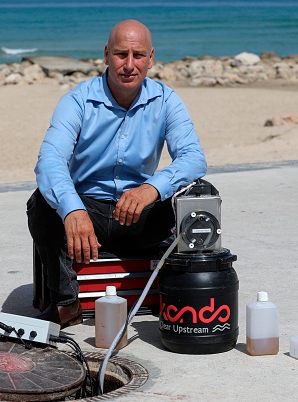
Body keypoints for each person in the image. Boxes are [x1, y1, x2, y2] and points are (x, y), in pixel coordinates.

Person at [27, 19, 206, 328]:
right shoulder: (77, 100)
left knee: (200, 193)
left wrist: (152, 188)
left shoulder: (167, 101)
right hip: (89, 215)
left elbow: (194, 158)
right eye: (122, 54)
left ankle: (180, 293)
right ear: (107, 54)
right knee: (41, 203)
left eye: (138, 56)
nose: (129, 65)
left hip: (140, 215)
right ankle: (66, 304)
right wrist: (72, 209)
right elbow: (50, 160)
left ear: (151, 59)